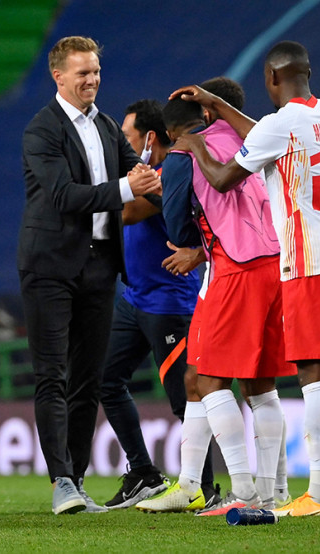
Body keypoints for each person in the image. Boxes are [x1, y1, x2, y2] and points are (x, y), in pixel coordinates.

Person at [171, 42, 320, 517]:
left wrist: (193, 144)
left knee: (313, 373)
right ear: (306, 72)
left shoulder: (278, 125)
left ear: (271, 81)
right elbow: (268, 136)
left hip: (310, 255)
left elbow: (225, 177)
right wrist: (220, 107)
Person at [18, 35, 160, 514]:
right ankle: (60, 481)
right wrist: (126, 186)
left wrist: (196, 221)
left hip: (100, 265)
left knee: (87, 379)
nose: (92, 80)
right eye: (82, 73)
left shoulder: (104, 124)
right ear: (58, 76)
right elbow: (63, 196)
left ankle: (75, 479)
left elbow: (143, 179)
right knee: (51, 375)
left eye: (96, 71)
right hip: (50, 266)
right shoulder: (42, 129)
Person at [152, 79, 295, 516]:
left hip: (235, 269)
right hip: (278, 262)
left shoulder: (180, 154)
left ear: (170, 133)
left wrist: (192, 241)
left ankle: (246, 494)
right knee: (261, 386)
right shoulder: (241, 134)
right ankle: (271, 494)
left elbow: (176, 230)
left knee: (208, 379)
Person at [96, 99, 216, 510]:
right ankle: (143, 473)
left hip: (169, 303)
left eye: (127, 138)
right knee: (106, 381)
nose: (122, 146)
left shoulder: (169, 175)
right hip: (134, 298)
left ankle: (206, 486)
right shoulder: (145, 175)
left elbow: (126, 213)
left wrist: (118, 183)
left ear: (149, 139)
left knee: (187, 398)